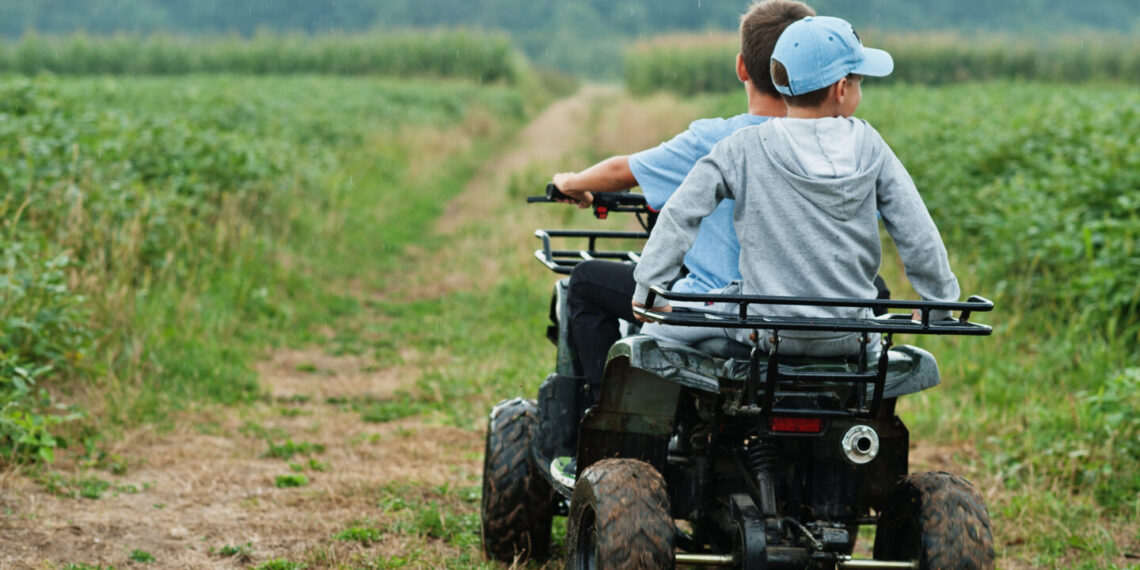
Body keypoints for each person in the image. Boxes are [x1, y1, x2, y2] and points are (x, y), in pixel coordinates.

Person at [632, 15, 960, 357]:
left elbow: (680, 214)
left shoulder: (743, 148)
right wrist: (939, 302)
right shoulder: (871, 146)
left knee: (658, 333)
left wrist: (647, 291)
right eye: (860, 80)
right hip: (852, 335)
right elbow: (916, 231)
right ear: (842, 88)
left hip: (764, 333)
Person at [551, 0, 817, 401]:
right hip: (811, 309)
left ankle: (606, 412)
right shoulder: (837, 142)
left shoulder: (716, 140)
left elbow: (624, 172)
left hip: (718, 308)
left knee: (585, 283)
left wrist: (571, 182)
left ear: (742, 67)